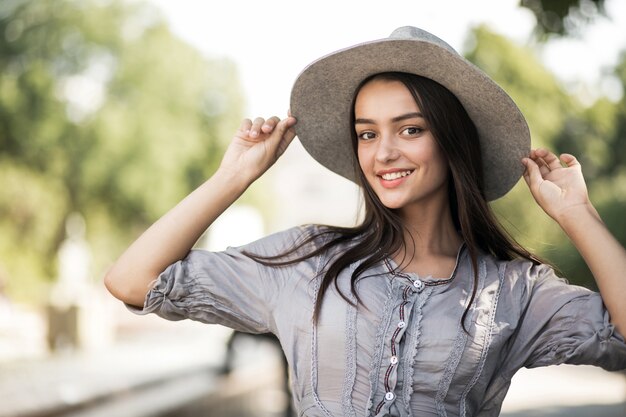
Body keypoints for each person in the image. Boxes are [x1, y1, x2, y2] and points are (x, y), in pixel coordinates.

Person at [104, 27, 626, 416]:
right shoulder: (307, 260)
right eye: (368, 133)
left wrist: (576, 214)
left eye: (410, 129)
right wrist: (233, 178)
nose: (384, 153)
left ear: (452, 140)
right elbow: (131, 280)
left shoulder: (514, 291)